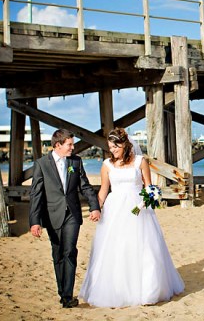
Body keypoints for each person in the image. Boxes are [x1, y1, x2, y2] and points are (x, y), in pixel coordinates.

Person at [79, 127, 184, 307]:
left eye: (115, 147)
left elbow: (149, 188)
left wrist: (145, 202)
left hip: (138, 209)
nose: (112, 150)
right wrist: (96, 208)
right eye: (110, 147)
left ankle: (148, 290)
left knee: (144, 246)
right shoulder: (107, 165)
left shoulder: (140, 162)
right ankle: (119, 289)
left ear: (125, 145)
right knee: (117, 247)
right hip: (114, 209)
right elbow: (103, 190)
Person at [29, 129, 101, 309]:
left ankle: (68, 296)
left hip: (72, 215)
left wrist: (94, 206)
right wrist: (35, 221)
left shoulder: (75, 161)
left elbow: (85, 186)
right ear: (58, 145)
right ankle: (62, 292)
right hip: (52, 214)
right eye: (69, 144)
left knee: (69, 251)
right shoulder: (41, 164)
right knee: (58, 253)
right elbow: (36, 194)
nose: (72, 148)